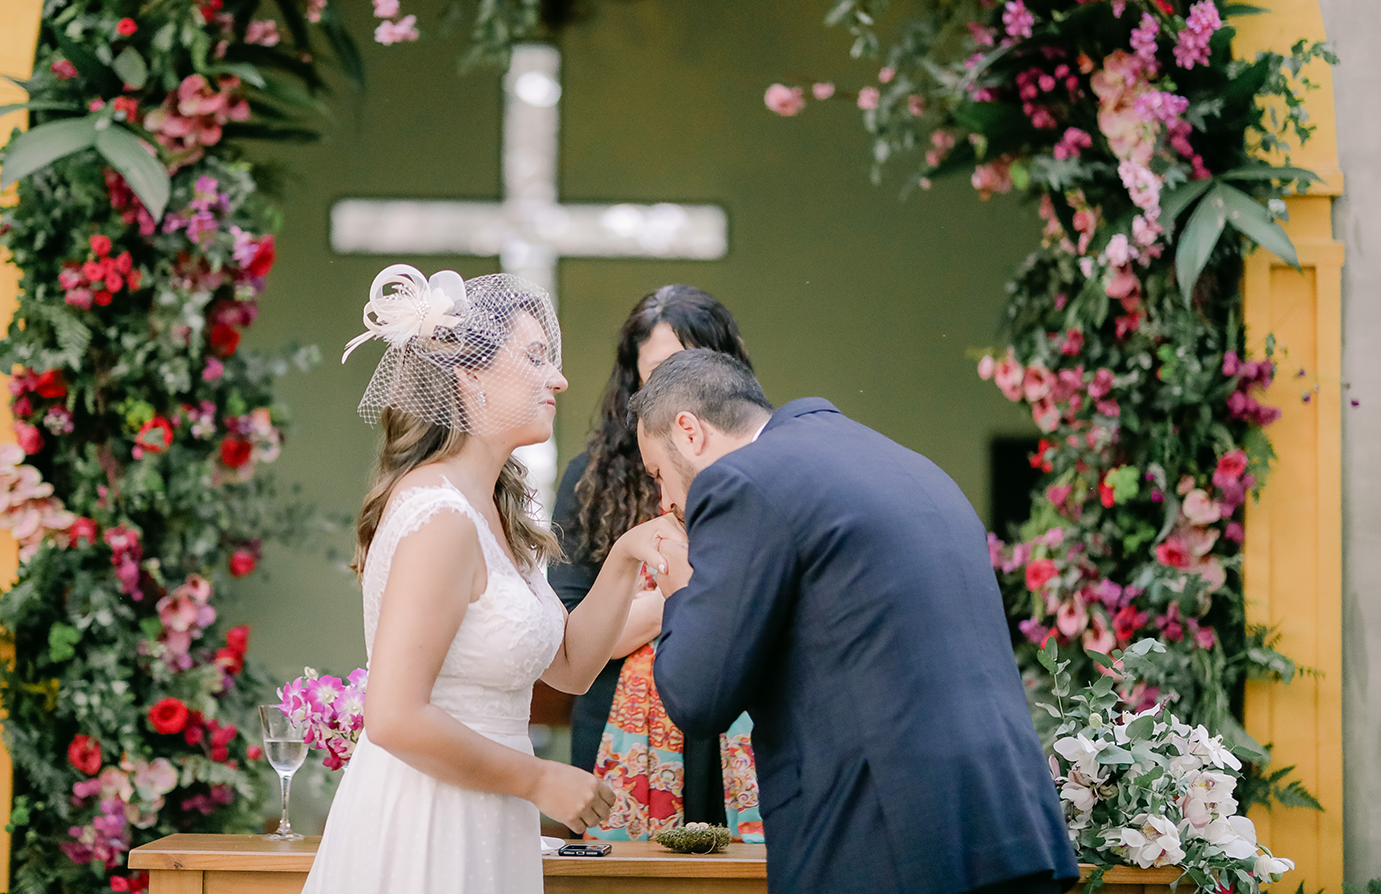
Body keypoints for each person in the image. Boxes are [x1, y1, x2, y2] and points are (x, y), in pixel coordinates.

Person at [631, 350, 1080, 894]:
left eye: (658, 474)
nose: (663, 501)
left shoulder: (742, 483)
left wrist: (682, 588)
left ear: (689, 431)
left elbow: (697, 696)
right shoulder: (913, 465)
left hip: (886, 846)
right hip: (1012, 832)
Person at [302, 265, 664, 894]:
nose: (559, 377)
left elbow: (573, 665)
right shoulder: (439, 515)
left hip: (491, 819)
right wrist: (541, 779)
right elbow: (393, 717)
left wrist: (630, 554)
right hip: (428, 821)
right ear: (470, 380)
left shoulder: (498, 511)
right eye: (535, 357)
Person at [548, 285, 761, 840]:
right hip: (620, 717)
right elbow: (571, 636)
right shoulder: (590, 480)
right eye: (663, 368)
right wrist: (697, 597)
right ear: (633, 378)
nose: (679, 387)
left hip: (739, 718)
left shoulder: (760, 466)